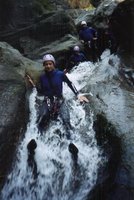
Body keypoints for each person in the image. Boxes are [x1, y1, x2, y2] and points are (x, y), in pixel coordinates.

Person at [27, 54, 89, 132]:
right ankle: (37, 137)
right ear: (44, 65)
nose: (48, 66)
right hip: (47, 101)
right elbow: (42, 91)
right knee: (42, 117)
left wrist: (78, 95)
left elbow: (70, 84)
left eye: (50, 64)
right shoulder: (42, 77)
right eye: (46, 64)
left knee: (66, 120)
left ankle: (71, 140)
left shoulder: (60, 74)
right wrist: (33, 85)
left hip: (59, 100)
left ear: (53, 64)